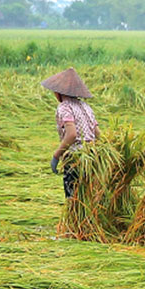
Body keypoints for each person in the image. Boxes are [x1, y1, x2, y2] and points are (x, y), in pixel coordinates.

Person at [41, 67, 100, 198]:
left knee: (74, 199)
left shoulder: (64, 107)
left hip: (75, 158)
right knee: (88, 197)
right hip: (91, 157)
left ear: (58, 93)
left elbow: (72, 135)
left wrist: (56, 156)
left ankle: (75, 219)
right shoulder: (86, 106)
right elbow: (98, 134)